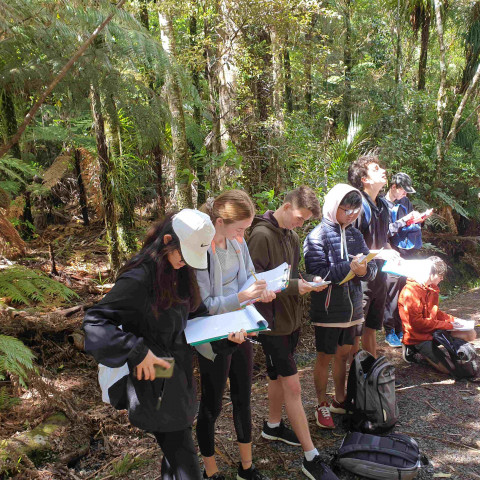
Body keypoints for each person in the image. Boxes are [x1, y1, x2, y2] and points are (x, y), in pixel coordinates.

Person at [83, 209, 216, 480]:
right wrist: (135, 351)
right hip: (154, 380)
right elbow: (94, 322)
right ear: (167, 240)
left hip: (176, 375)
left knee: (175, 457)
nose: (185, 263)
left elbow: (196, 315)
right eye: (183, 255)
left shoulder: (180, 272)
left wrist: (227, 335)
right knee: (185, 461)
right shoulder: (140, 279)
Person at [248, 186, 337, 480]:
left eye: (305, 221)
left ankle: (272, 426)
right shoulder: (260, 235)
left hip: (291, 320)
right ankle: (310, 457)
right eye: (299, 218)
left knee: (275, 375)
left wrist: (308, 280)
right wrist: (291, 287)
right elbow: (251, 285)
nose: (301, 224)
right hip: (272, 324)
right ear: (286, 206)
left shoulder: (293, 236)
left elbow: (290, 275)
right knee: (294, 388)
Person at [195, 190, 276, 480]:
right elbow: (205, 306)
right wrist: (242, 297)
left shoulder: (237, 242)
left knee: (243, 396)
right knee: (212, 403)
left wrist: (260, 289)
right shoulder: (201, 252)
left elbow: (250, 274)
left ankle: (246, 467)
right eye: (240, 228)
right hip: (215, 338)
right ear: (219, 222)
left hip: (243, 328)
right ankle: (211, 471)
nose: (243, 234)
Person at [304, 185, 378, 431]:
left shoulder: (356, 235)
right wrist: (349, 267)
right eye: (346, 210)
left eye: (356, 210)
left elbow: (371, 269)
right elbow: (317, 275)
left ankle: (340, 398)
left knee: (344, 354)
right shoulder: (317, 236)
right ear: (334, 206)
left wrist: (364, 270)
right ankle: (321, 403)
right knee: (324, 356)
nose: (352, 215)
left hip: (353, 309)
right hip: (328, 310)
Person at [348, 154, 399, 358]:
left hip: (380, 277)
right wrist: (379, 253)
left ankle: (372, 375)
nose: (383, 171)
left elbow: (383, 239)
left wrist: (392, 253)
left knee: (372, 328)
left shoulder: (384, 206)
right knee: (355, 332)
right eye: (376, 169)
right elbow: (351, 248)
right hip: (360, 279)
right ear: (364, 179)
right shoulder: (357, 206)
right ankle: (355, 380)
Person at [398, 256, 476, 372]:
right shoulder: (411, 291)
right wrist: (447, 325)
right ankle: (413, 348)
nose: (442, 278)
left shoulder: (432, 288)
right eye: (440, 276)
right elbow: (417, 324)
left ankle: (449, 348)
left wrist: (455, 321)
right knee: (449, 369)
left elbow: (436, 312)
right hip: (418, 336)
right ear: (430, 274)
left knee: (471, 333)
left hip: (433, 330)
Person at [383, 172, 432, 348]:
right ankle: (390, 332)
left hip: (407, 251)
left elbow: (410, 222)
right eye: (403, 191)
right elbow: (383, 233)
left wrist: (419, 219)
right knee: (391, 293)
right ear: (394, 187)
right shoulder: (382, 205)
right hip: (390, 252)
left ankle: (402, 328)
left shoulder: (405, 202)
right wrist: (403, 222)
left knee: (405, 291)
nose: (405, 195)